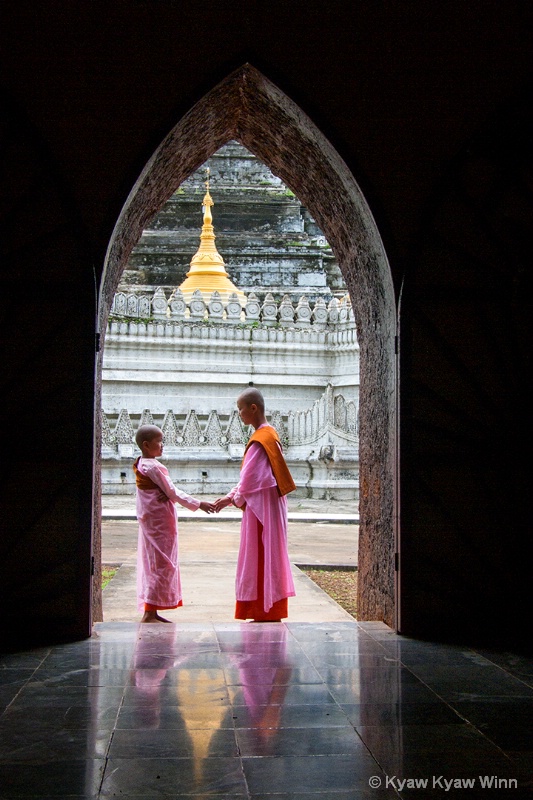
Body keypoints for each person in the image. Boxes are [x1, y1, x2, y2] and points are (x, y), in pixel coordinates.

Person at [214, 388, 296, 621]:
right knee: (265, 553)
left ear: (253, 408)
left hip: (261, 510)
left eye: (241, 409)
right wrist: (233, 495)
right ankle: (266, 609)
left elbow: (250, 479)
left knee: (259, 554)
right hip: (265, 505)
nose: (239, 414)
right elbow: (249, 478)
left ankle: (263, 609)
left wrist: (231, 498)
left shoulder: (262, 439)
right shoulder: (268, 435)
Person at [133, 424, 215, 623]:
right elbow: (172, 492)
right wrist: (199, 504)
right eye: (159, 442)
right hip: (160, 522)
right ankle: (149, 612)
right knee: (162, 563)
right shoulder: (154, 466)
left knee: (154, 561)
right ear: (146, 445)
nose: (162, 446)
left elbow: (163, 491)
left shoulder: (141, 463)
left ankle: (152, 611)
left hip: (150, 519)